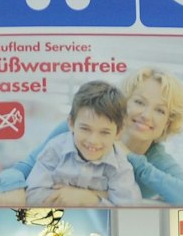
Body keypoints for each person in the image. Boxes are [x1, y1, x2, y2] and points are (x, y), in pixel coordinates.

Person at [0, 67, 183, 206]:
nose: (146, 115)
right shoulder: (74, 133)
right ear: (123, 104)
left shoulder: (157, 160)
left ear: (169, 121)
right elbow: (18, 170)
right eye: (139, 102)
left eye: (160, 110)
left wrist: (92, 197)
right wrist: (13, 188)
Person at [25, 79, 140, 208]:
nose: (93, 140)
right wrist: (103, 195)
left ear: (118, 132)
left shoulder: (120, 167)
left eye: (104, 132)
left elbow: (128, 209)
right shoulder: (55, 149)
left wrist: (90, 199)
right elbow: (33, 195)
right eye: (85, 129)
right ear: (71, 123)